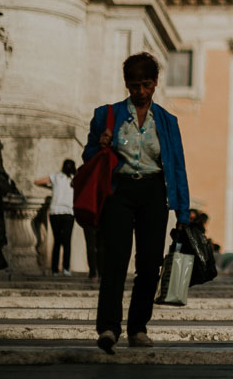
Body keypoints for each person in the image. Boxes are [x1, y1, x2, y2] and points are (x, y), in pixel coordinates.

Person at [83, 52, 190, 353]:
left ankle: (138, 328)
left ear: (155, 83)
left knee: (149, 264)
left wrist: (183, 211)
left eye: (145, 84)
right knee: (114, 261)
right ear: (126, 85)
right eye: (134, 85)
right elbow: (89, 158)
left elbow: (177, 165)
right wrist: (99, 145)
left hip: (154, 193)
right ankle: (108, 327)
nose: (140, 91)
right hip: (119, 192)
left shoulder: (167, 122)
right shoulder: (107, 115)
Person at [35, 159, 78, 276]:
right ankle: (66, 268)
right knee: (67, 241)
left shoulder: (56, 177)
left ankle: (54, 269)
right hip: (68, 212)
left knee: (57, 241)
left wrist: (52, 187)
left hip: (55, 212)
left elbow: (37, 182)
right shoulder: (75, 179)